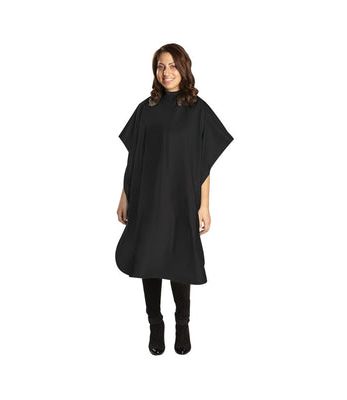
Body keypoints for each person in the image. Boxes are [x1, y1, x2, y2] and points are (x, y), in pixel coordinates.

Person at [115, 43, 234, 355]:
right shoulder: (146, 109)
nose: (166, 72)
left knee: (180, 260)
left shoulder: (198, 110)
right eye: (160, 66)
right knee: (149, 259)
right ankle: (155, 324)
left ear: (184, 68)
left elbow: (203, 164)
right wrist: (125, 196)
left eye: (171, 65)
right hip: (147, 198)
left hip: (181, 199)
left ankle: (183, 324)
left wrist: (204, 205)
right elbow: (134, 159)